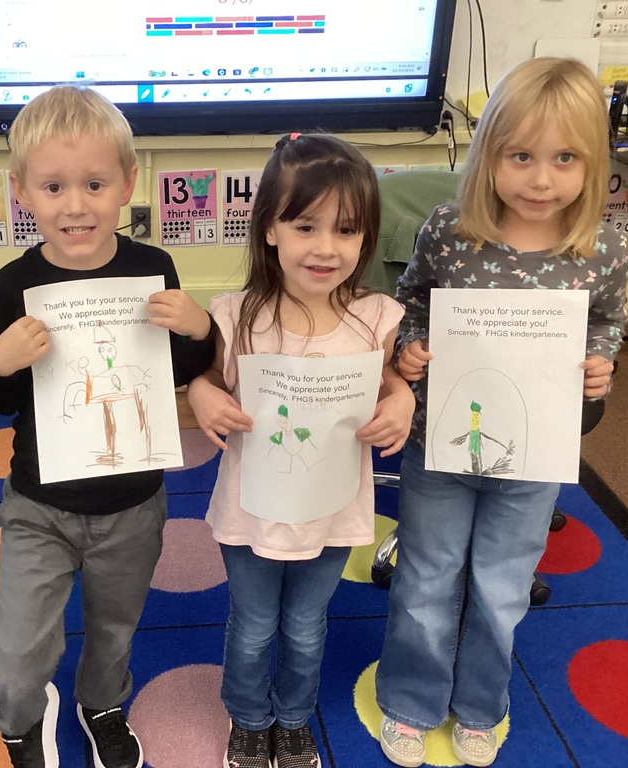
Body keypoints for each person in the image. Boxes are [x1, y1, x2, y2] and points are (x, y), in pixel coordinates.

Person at [373, 57, 628, 768]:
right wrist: (411, 346)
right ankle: (409, 699)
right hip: (441, 443)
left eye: (565, 159)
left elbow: (607, 322)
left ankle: (483, 703)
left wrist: (602, 362)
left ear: (592, 164)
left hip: (533, 452)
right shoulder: (453, 229)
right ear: (490, 153)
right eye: (521, 156)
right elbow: (413, 302)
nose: (541, 179)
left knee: (501, 585)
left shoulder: (599, 248)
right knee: (427, 576)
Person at [0, 84, 215, 768]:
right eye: (53, 186)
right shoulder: (13, 282)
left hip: (131, 500)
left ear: (127, 185)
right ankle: (23, 715)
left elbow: (182, 365)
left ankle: (101, 703)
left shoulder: (152, 267)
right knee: (19, 648)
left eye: (94, 184)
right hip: (40, 502)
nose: (75, 205)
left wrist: (199, 329)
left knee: (114, 627)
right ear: (21, 191)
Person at [185, 133, 415, 768]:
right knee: (254, 626)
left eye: (346, 230)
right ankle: (250, 719)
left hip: (332, 509)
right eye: (305, 225)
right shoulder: (238, 316)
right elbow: (205, 381)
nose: (325, 247)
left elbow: (391, 380)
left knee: (307, 628)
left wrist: (402, 401)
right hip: (251, 509)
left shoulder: (377, 317)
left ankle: (292, 718)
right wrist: (202, 396)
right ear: (269, 230)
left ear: (366, 239)